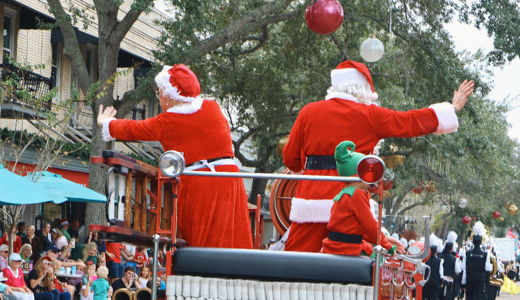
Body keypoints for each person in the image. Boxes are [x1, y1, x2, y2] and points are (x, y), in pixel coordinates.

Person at [280, 60, 474, 252]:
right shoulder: (370, 115)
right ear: (363, 89)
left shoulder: (308, 112)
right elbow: (410, 121)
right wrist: (452, 108)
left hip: (310, 201)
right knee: (352, 265)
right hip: (352, 203)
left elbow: (290, 160)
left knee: (296, 266)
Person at [97, 64, 252, 248]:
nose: (159, 96)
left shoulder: (169, 121)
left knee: (201, 240)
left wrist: (106, 123)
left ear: (170, 97)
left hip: (200, 184)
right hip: (231, 179)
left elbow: (134, 129)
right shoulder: (213, 108)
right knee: (234, 236)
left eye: (160, 92)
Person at [318, 141, 401, 256]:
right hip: (346, 248)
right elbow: (370, 225)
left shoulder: (344, 193)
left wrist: (383, 240)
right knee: (380, 260)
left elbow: (360, 229)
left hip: (336, 245)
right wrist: (388, 246)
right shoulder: (357, 194)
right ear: (360, 174)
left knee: (372, 250)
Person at [423, 235, 444, 300]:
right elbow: (441, 273)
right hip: (436, 283)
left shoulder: (425, 261)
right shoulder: (440, 261)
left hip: (427, 282)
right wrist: (442, 282)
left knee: (427, 297)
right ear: (436, 252)